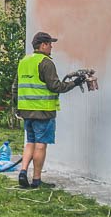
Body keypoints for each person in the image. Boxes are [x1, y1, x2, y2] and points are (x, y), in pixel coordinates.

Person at [16, 32, 82, 188]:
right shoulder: (46, 62)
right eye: (50, 44)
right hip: (43, 111)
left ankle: (23, 171)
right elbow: (55, 87)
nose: (52, 47)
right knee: (40, 145)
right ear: (43, 45)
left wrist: (18, 107)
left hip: (26, 110)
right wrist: (76, 82)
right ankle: (36, 180)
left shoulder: (24, 61)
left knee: (30, 142)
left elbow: (15, 86)